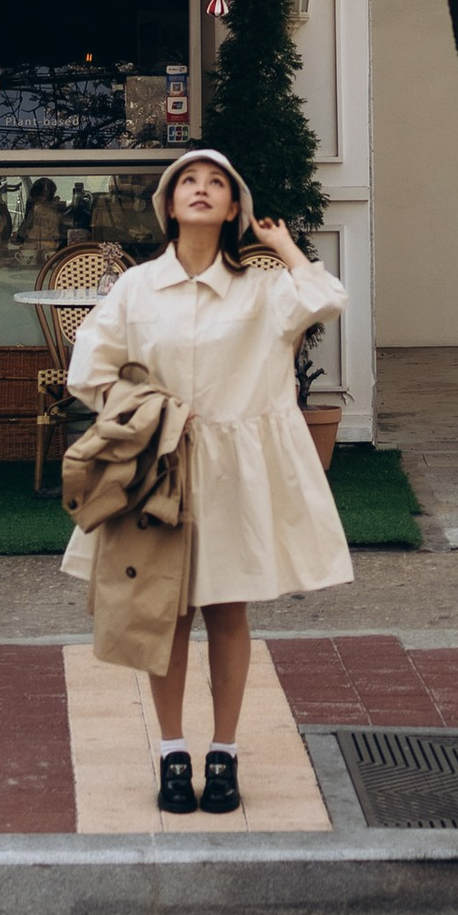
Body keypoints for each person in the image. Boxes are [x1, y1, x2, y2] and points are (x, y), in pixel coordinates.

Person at [62, 147, 350, 816]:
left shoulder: (263, 286)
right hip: (159, 471)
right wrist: (140, 416)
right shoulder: (135, 288)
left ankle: (224, 753)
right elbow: (89, 369)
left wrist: (285, 246)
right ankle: (171, 753)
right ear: (167, 205)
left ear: (233, 209)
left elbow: (327, 300)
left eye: (216, 182)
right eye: (187, 181)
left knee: (228, 610)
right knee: (165, 609)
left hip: (236, 475)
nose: (200, 190)